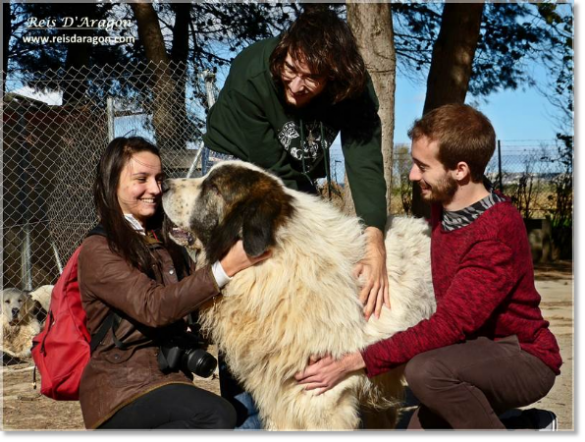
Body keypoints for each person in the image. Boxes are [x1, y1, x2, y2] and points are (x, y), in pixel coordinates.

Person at [294, 104, 562, 430]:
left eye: (422, 166)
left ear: (460, 170)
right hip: (471, 355)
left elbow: (448, 327)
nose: (411, 175)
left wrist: (353, 361)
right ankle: (524, 427)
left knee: (425, 372)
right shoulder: (447, 207)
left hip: (522, 357)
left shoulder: (494, 231)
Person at [203, 8, 390, 428]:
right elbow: (272, 186)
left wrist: (373, 237)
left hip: (291, 177)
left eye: (311, 79)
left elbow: (363, 161)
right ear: (283, 53)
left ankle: (302, 392)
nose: (296, 85)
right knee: (246, 288)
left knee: (297, 286)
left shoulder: (353, 89)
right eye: (290, 69)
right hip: (236, 166)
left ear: (336, 78)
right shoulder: (254, 72)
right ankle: (245, 411)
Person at [77, 137, 269, 429]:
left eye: (159, 178)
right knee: (217, 416)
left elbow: (196, 301)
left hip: (170, 381)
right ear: (112, 183)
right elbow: (155, 306)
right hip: (121, 391)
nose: (155, 189)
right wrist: (226, 267)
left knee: (230, 416)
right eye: (141, 179)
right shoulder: (99, 249)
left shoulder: (165, 239)